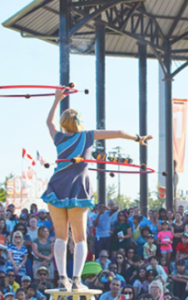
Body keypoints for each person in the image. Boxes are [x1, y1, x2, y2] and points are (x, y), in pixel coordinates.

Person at [42, 90, 151, 290]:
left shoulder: (58, 138)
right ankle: (75, 280)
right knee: (80, 237)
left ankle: (63, 279)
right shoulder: (87, 136)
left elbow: (49, 123)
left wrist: (56, 99)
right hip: (77, 189)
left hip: (57, 187)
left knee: (60, 237)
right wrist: (138, 138)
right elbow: (118, 132)